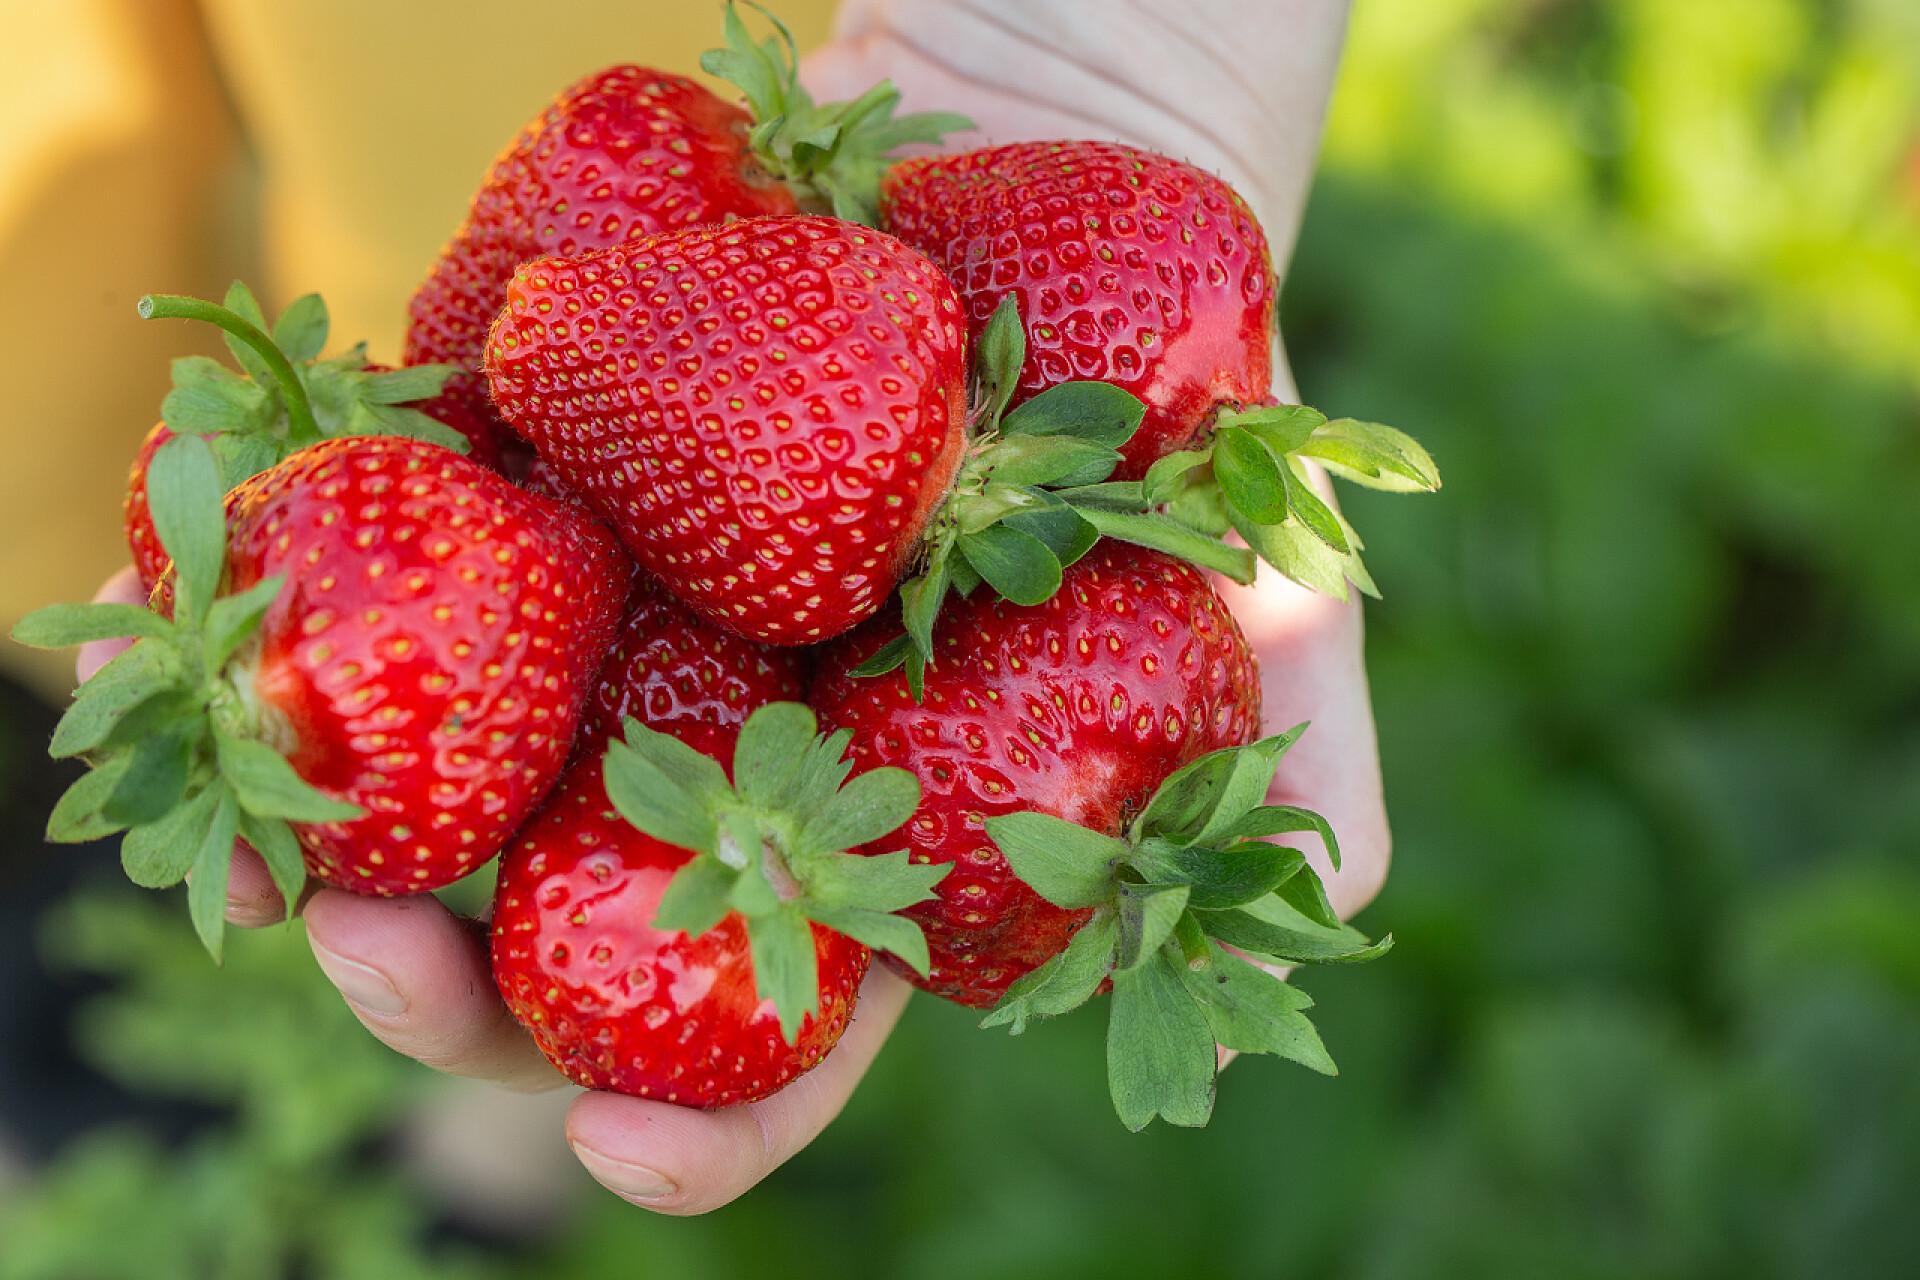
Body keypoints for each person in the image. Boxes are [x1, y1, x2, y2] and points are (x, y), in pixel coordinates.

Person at [72, 0, 1386, 1216]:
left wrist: (1128, 41)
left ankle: (466, 1175)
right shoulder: (774, 342)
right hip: (613, 254)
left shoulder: (841, 420)